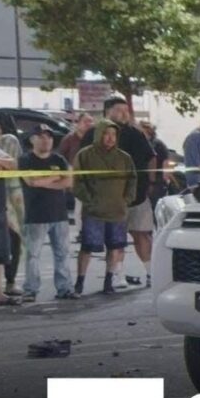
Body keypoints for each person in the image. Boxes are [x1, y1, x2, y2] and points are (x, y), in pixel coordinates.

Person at [81, 98, 155, 288]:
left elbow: (150, 158)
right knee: (115, 240)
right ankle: (117, 275)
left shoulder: (135, 134)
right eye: (119, 109)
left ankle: (151, 273)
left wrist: (152, 183)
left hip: (137, 196)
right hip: (107, 200)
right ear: (107, 112)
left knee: (142, 234)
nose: (124, 113)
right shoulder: (92, 135)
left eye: (126, 109)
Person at [72, 121, 136, 295]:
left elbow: (132, 180)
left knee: (115, 247)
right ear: (99, 134)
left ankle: (108, 281)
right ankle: (79, 282)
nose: (110, 138)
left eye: (113, 135)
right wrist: (89, 200)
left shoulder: (124, 157)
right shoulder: (85, 155)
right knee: (87, 247)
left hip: (117, 211)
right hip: (93, 212)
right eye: (106, 134)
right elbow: (77, 182)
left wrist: (127, 200)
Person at [18, 125, 78, 301]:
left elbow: (68, 182)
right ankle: (30, 290)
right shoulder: (25, 160)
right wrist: (56, 176)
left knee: (62, 254)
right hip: (35, 215)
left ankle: (65, 288)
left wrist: (45, 180)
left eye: (49, 137)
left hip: (59, 215)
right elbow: (31, 181)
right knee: (33, 255)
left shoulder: (58, 159)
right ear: (32, 140)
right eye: (41, 136)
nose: (46, 140)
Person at [0, 120, 24, 297]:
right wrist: (0, 164)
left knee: (3, 248)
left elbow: (12, 163)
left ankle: (1, 290)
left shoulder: (4, 144)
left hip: (0, 206)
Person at [138, 120, 170, 229]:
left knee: (156, 209)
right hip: (147, 181)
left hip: (157, 181)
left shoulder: (157, 144)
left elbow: (165, 161)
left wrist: (165, 178)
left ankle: (160, 230)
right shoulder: (143, 143)